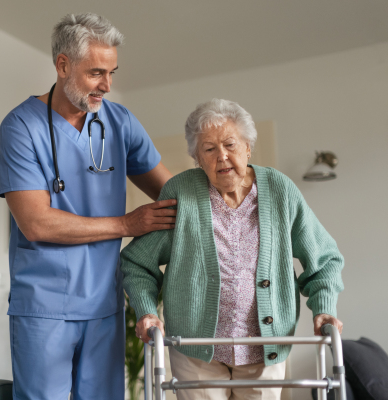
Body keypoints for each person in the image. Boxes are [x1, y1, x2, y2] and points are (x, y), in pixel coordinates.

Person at [0, 13, 176, 400]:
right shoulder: (21, 127)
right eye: (96, 73)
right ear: (63, 65)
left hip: (105, 304)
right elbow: (36, 223)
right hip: (44, 307)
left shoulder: (119, 122)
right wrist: (128, 224)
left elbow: (172, 193)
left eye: (112, 72)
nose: (107, 85)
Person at [121, 99, 344, 400]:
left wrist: (324, 307)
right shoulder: (181, 193)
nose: (222, 156)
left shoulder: (280, 191)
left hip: (265, 350)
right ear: (197, 158)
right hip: (195, 351)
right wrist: (147, 311)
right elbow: (137, 262)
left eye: (230, 144)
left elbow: (325, 259)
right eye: (209, 149)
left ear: (248, 147)